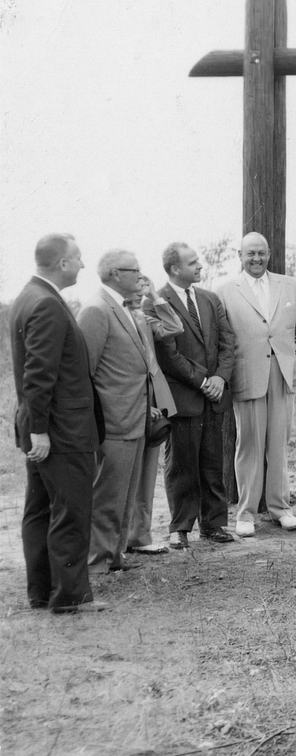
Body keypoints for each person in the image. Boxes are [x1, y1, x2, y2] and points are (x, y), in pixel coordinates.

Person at [11, 234, 108, 613]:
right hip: (61, 432)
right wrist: (40, 432)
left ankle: (42, 592)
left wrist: (36, 429)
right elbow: (39, 374)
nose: (83, 265)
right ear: (63, 264)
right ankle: (70, 596)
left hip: (47, 428)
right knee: (70, 510)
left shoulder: (28, 297)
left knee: (39, 510)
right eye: (79, 258)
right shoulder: (47, 304)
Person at [214, 232, 296, 537]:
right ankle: (246, 513)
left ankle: (280, 508)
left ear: (269, 254)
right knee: (249, 444)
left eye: (261, 253)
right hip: (247, 375)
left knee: (279, 444)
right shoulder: (225, 290)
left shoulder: (289, 285)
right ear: (240, 256)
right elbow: (221, 338)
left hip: (282, 374)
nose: (256, 259)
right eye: (250, 254)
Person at [148, 243, 236, 549]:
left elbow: (228, 342)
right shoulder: (156, 301)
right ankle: (180, 528)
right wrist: (203, 381)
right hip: (183, 398)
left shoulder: (210, 299)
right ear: (175, 269)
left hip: (214, 397)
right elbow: (168, 355)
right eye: (192, 262)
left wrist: (220, 378)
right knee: (182, 464)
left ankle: (214, 525)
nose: (200, 266)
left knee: (214, 462)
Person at [78, 249, 149, 575]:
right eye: (133, 270)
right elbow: (84, 372)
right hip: (113, 422)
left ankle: (115, 556)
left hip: (132, 419)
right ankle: (98, 563)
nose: (140, 275)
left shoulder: (121, 307)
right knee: (107, 497)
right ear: (114, 274)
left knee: (124, 495)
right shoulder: (96, 310)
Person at [123, 275, 182, 556]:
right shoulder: (113, 318)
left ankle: (140, 535)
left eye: (141, 289)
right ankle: (118, 539)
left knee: (147, 473)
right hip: (129, 405)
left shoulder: (145, 318)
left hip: (155, 402)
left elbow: (174, 326)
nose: (138, 294)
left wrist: (155, 296)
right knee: (124, 477)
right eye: (133, 289)